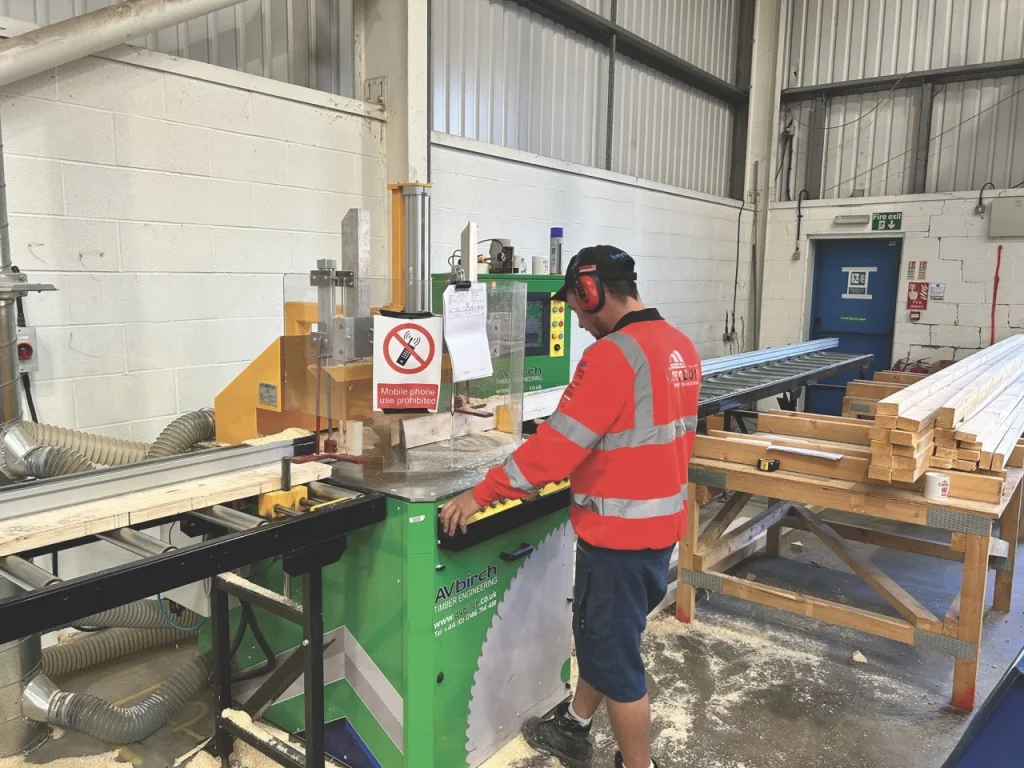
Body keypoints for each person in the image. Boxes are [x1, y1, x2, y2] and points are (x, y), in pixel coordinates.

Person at [440, 245, 702, 768]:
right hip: (657, 530)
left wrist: (481, 493)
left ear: (591, 291)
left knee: (618, 662)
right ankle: (575, 725)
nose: (579, 323)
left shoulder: (611, 354)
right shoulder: (679, 346)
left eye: (578, 309)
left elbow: (557, 448)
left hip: (619, 536)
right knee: (605, 637)